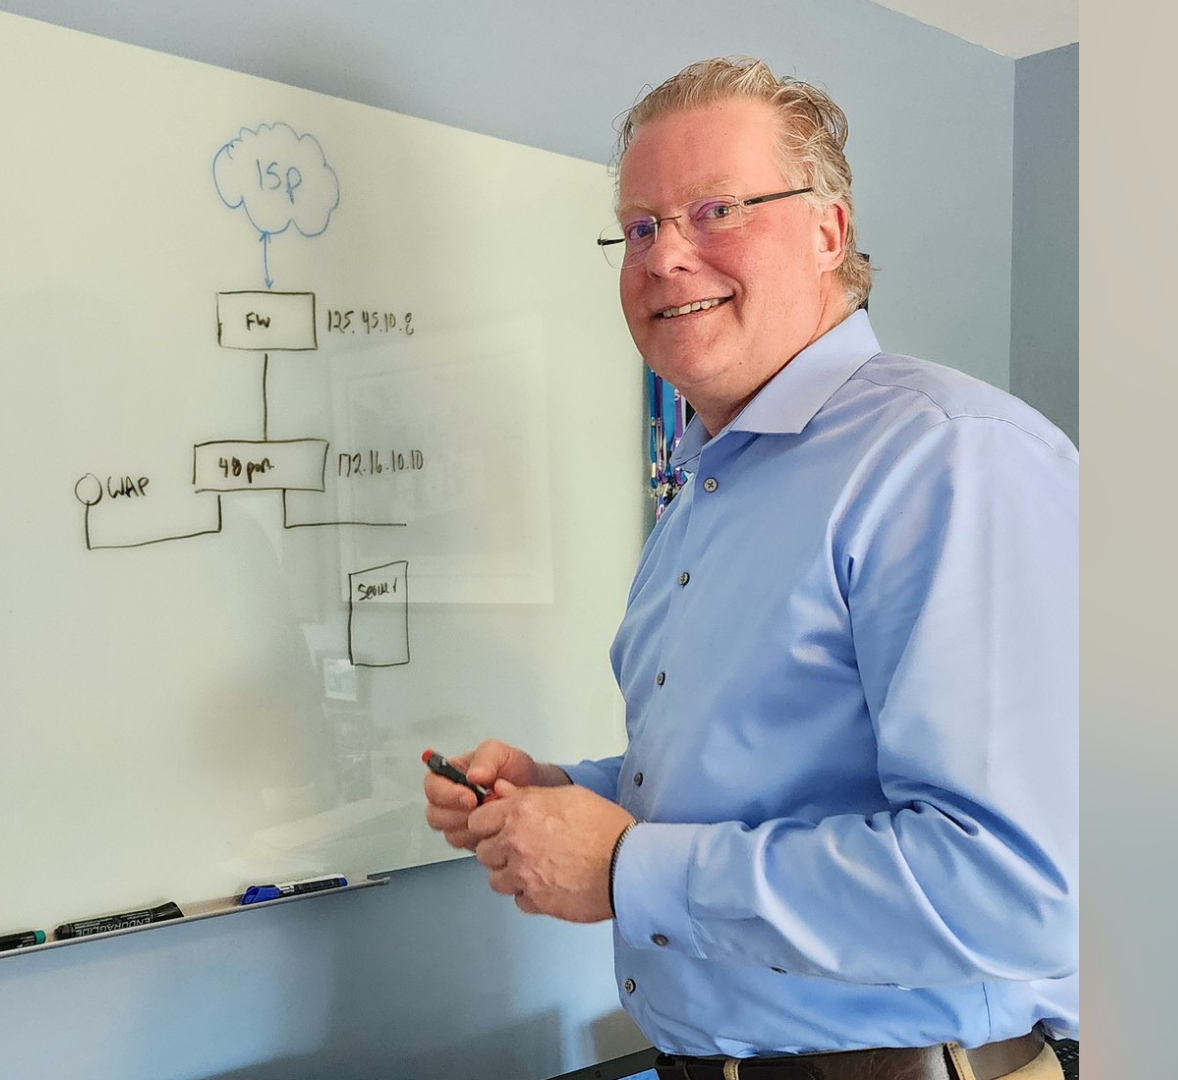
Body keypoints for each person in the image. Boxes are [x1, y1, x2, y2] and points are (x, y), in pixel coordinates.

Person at [422, 57, 1077, 1080]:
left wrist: (627, 868)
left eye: (716, 209)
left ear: (829, 231)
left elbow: (1016, 888)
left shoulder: (950, 459)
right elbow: (758, 776)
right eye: (640, 227)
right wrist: (567, 792)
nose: (665, 256)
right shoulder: (704, 485)